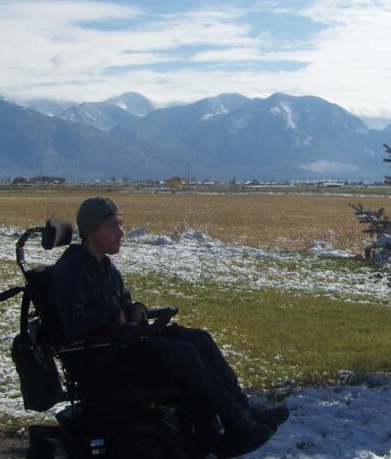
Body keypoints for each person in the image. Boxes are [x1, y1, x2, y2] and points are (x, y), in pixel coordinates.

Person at [51, 196, 288, 458]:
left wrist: (135, 309)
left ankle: (243, 412)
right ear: (91, 231)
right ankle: (238, 424)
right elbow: (74, 324)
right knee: (185, 353)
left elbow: (123, 303)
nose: (121, 233)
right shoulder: (71, 269)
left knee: (199, 339)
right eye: (111, 226)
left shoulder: (103, 265)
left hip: (122, 343)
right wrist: (114, 314)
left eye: (121, 224)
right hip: (104, 358)